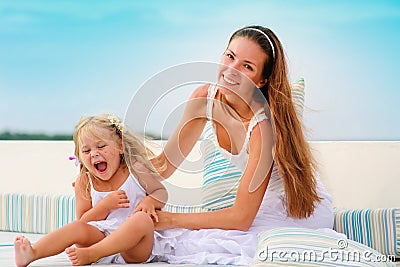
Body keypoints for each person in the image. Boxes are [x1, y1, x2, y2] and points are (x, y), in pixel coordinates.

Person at [61, 25, 336, 266]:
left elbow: (241, 218)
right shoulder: (205, 97)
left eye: (247, 66)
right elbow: (165, 166)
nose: (231, 70)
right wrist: (105, 173)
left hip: (294, 211)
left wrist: (170, 219)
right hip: (256, 207)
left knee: (208, 240)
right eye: (230, 56)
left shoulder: (263, 129)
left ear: (261, 80)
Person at [14, 113, 168, 267]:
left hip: (134, 246)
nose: (94, 153)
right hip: (100, 238)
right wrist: (105, 206)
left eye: (101, 146)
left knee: (142, 219)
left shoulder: (135, 170)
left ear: (121, 146)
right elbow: (84, 221)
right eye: (86, 151)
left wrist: (150, 201)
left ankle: (92, 254)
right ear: (79, 157)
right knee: (76, 227)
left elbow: (161, 193)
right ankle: (33, 253)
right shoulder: (85, 182)